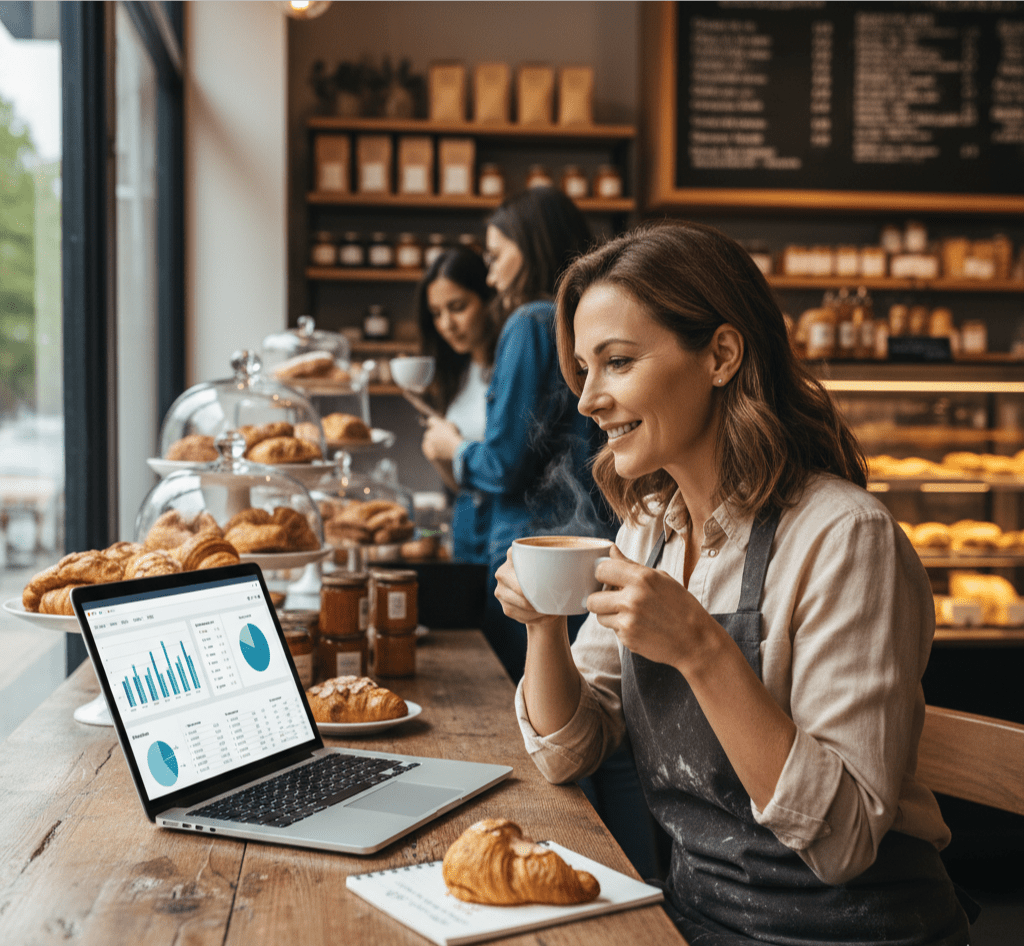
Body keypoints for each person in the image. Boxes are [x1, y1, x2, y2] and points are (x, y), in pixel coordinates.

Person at [495, 221, 973, 945]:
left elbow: (842, 843)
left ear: (720, 354)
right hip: (699, 918)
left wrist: (700, 647)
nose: (589, 399)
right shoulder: (650, 532)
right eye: (584, 371)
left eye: (617, 363)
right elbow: (569, 749)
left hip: (855, 932)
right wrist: (542, 625)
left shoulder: (844, 538)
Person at [420, 186, 609, 682]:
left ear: (534, 245)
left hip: (528, 555)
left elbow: (503, 464)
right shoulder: (577, 322)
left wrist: (452, 447)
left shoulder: (528, 322)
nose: (490, 272)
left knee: (528, 709)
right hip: (584, 547)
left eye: (498, 255)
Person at [415, 246, 498, 565]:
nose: (447, 323)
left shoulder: (510, 372)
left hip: (507, 529)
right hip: (467, 528)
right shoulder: (453, 376)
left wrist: (454, 446)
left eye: (458, 307)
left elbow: (508, 466)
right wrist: (439, 453)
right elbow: (462, 484)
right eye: (436, 313)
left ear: (488, 298)